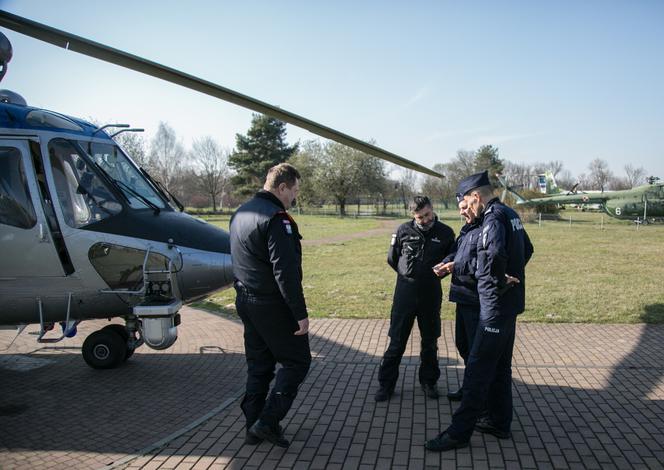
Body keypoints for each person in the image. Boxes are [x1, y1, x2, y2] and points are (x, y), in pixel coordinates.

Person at [426, 170, 534, 452]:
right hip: (507, 307)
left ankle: (459, 433)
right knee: (500, 368)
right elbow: (527, 249)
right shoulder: (509, 213)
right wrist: (510, 273)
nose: (466, 210)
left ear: (476, 197)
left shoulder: (493, 217)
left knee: (477, 370)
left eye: (466, 204)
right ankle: (499, 422)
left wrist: (499, 279)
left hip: (493, 308)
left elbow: (493, 255)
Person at [229, 163, 311, 448]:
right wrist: (300, 314)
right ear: (282, 187)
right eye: (294, 191)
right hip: (271, 305)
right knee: (297, 361)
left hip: (245, 299)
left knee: (259, 365)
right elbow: (285, 272)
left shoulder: (240, 213)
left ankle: (253, 428)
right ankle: (268, 421)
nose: (294, 198)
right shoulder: (276, 218)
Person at [375, 195, 455, 402]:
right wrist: (408, 275)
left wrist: (439, 271)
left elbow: (452, 259)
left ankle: (429, 382)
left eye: (427, 215)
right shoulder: (403, 230)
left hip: (431, 294)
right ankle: (386, 385)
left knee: (430, 343)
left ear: (432, 209)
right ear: (413, 215)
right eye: (420, 217)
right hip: (405, 295)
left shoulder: (446, 233)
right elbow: (392, 258)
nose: (425, 220)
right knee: (396, 343)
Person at [432, 197, 482, 402]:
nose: (462, 212)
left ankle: (477, 396)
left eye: (464, 208)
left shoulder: (485, 228)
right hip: (462, 297)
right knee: (463, 345)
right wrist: (444, 263)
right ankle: (469, 388)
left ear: (474, 203)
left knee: (475, 350)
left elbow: (485, 261)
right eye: (459, 209)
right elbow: (456, 252)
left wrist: (455, 266)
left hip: (476, 299)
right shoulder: (466, 229)